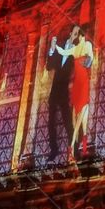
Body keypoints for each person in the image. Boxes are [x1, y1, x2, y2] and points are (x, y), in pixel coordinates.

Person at [53, 29, 94, 159]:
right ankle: (76, 145)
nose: (75, 37)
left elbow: (91, 57)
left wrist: (87, 63)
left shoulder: (87, 45)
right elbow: (64, 52)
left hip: (83, 80)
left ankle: (74, 145)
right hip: (77, 82)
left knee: (83, 112)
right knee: (77, 113)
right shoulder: (75, 48)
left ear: (82, 36)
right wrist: (55, 46)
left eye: (77, 35)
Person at [45, 26, 78, 162]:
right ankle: (54, 149)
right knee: (51, 121)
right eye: (73, 33)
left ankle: (74, 147)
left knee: (67, 121)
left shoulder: (75, 51)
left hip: (65, 91)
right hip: (55, 91)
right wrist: (52, 49)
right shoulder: (59, 50)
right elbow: (49, 66)